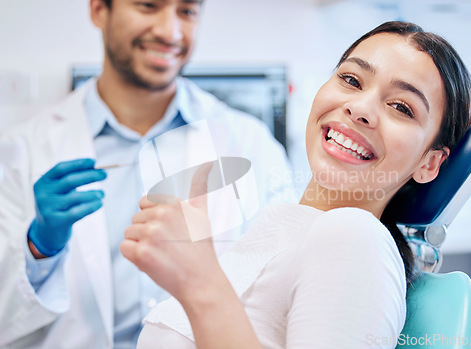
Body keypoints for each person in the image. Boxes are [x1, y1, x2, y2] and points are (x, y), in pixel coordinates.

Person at [122, 21, 471, 348]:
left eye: (401, 107)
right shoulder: (278, 229)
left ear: (429, 163)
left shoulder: (355, 237)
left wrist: (200, 282)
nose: (360, 108)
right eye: (352, 80)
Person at [0, 0, 294, 348]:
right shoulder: (24, 149)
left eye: (186, 12)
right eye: (148, 6)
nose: (169, 32)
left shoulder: (250, 144)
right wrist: (38, 249)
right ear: (99, 10)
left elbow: (282, 299)